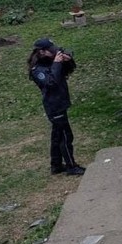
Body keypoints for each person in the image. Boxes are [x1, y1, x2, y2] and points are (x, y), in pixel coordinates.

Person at [27, 38, 85, 175]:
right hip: (54, 107)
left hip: (60, 103)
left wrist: (67, 60)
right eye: (50, 51)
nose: (53, 53)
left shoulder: (50, 63)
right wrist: (57, 63)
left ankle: (56, 165)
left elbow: (67, 71)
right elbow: (51, 83)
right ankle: (71, 166)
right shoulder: (37, 70)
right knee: (66, 137)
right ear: (41, 52)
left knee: (57, 136)